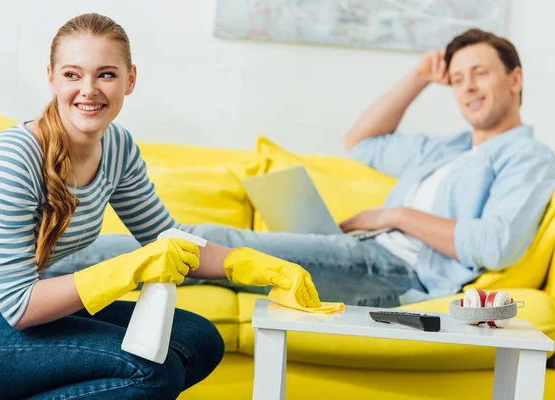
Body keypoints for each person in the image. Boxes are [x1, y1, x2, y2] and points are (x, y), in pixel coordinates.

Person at [0, 13, 320, 400]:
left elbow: (166, 237)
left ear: (130, 79)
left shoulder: (117, 147)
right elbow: (19, 306)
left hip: (19, 307)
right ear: (51, 78)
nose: (89, 90)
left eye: (106, 74)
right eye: (73, 75)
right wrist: (129, 268)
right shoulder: (15, 158)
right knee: (148, 374)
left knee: (199, 340)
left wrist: (259, 266)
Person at [61, 28, 555, 309]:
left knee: (195, 241)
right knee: (198, 250)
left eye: (481, 74)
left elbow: (495, 243)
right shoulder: (448, 149)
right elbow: (362, 142)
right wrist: (421, 76)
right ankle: (41, 278)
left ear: (515, 79)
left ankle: (46, 275)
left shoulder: (527, 157)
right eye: (460, 77)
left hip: (397, 272)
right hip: (363, 252)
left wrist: (395, 216)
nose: (467, 88)